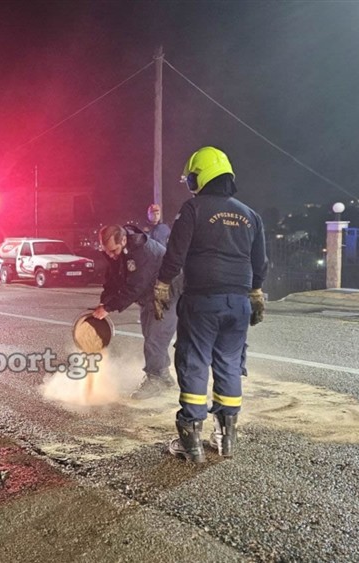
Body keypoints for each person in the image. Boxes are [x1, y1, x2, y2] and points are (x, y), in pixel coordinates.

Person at [153, 146, 267, 462]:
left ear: (199, 176)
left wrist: (162, 284)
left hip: (202, 300)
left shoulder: (193, 209)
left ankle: (191, 443)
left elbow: (175, 253)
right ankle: (225, 439)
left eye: (191, 177)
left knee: (193, 360)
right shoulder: (250, 215)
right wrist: (256, 292)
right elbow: (260, 261)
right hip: (238, 303)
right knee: (229, 362)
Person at [93, 224, 180, 394]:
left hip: (167, 294)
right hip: (149, 297)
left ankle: (155, 381)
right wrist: (104, 301)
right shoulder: (118, 253)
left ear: (124, 240)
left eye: (114, 250)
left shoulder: (144, 252)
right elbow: (112, 280)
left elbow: (134, 287)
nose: (111, 255)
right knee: (150, 335)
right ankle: (164, 376)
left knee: (155, 339)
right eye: (107, 251)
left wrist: (109, 307)